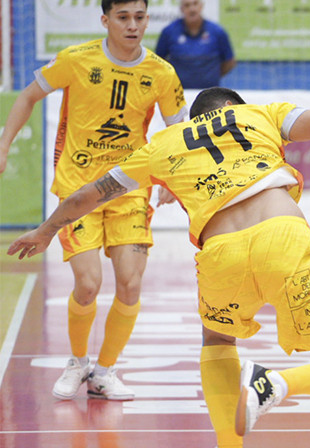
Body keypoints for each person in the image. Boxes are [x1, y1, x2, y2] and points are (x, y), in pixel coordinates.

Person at [9, 88, 310, 448]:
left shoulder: (164, 143)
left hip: (219, 253)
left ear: (196, 117)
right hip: (281, 237)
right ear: (233, 106)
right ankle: (276, 384)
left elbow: (90, 194)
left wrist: (46, 231)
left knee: (216, 338)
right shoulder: (261, 114)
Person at [0, 0, 187, 401]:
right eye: (123, 17)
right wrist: (4, 144)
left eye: (139, 17)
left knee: (130, 284)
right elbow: (27, 97)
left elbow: (179, 131)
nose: (132, 25)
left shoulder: (161, 72)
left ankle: (105, 371)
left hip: (130, 189)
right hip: (78, 190)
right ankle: (77, 361)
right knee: (88, 284)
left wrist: (172, 179)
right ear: (106, 20)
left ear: (147, 19)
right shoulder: (76, 60)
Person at [155, 0, 236, 89]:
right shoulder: (169, 32)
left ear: (201, 6)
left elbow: (230, 62)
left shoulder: (217, 32)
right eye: (187, 5)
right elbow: (158, 62)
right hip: (179, 93)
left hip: (210, 94)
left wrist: (212, 76)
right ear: (181, 9)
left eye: (195, 3)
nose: (192, 9)